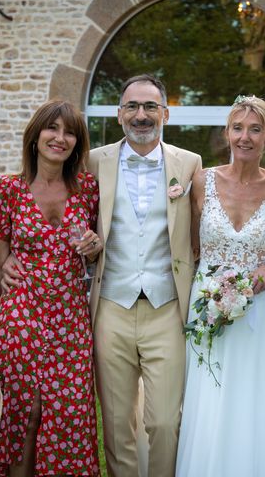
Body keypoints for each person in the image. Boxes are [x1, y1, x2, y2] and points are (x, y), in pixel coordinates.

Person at [0, 100, 102, 476]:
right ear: (36, 134)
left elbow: (95, 251)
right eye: (53, 129)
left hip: (70, 323)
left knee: (68, 415)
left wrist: (93, 248)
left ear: (77, 142)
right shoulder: (10, 190)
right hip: (22, 317)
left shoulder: (89, 188)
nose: (60, 138)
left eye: (70, 132)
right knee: (24, 415)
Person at [175, 96, 265, 477]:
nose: (245, 137)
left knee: (256, 399)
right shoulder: (201, 181)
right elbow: (187, 245)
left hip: (258, 311)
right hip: (207, 308)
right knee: (210, 399)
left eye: (255, 129)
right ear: (227, 133)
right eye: (238, 128)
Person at [88, 74, 201, 477]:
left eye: (150, 106)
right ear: (119, 114)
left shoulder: (189, 164)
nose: (141, 115)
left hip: (166, 307)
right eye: (133, 107)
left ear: (165, 114)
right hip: (110, 308)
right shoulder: (93, 161)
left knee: (165, 423)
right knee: (118, 425)